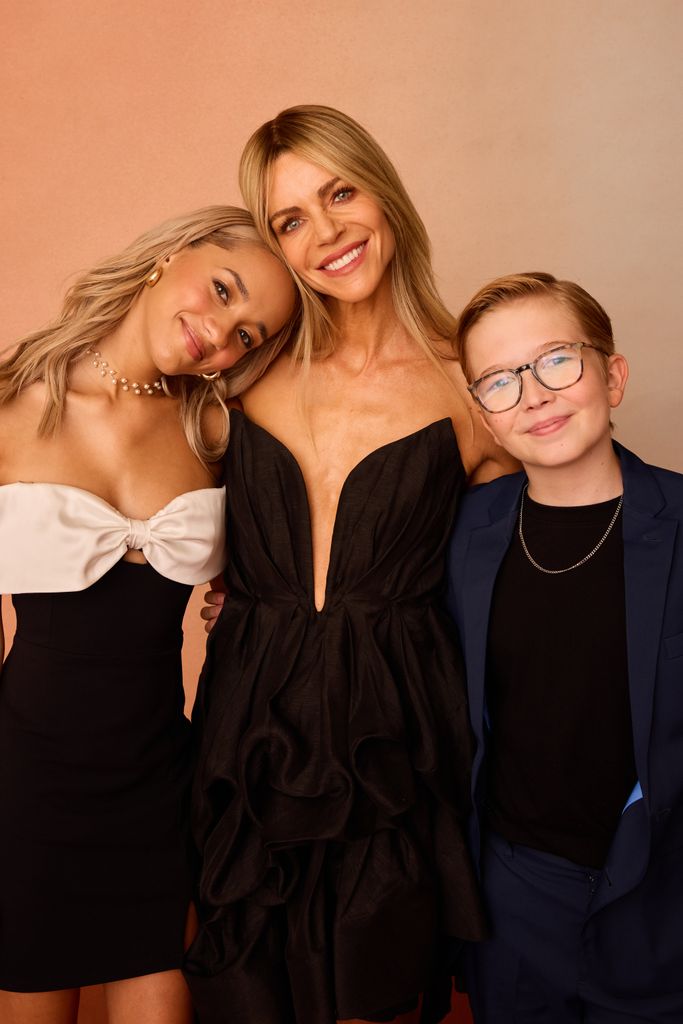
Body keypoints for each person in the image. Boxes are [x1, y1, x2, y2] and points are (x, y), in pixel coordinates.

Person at [185, 105, 518, 1024]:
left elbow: (541, 568)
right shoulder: (242, 374)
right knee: (242, 992)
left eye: (339, 192)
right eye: (290, 219)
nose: (325, 232)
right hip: (248, 733)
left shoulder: (468, 381)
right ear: (275, 246)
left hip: (395, 744)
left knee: (372, 988)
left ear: (382, 192)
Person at [0, 205, 296, 1024]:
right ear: (172, 255)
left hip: (160, 783)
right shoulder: (7, 406)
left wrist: (241, 599)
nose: (221, 333)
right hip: (26, 781)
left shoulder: (221, 431)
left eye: (248, 332)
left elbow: (288, 560)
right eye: (223, 290)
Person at [447, 272, 683, 1023]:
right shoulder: (459, 535)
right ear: (483, 415)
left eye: (556, 360)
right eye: (498, 381)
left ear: (611, 376)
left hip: (662, 894)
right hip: (513, 895)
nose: (534, 396)